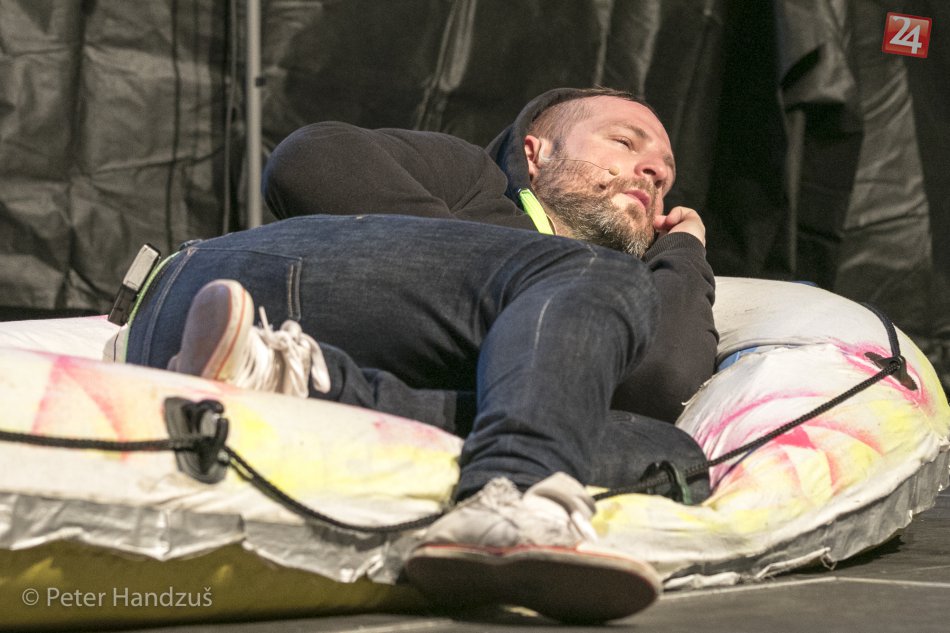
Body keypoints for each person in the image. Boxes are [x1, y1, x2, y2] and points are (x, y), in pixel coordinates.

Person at [119, 87, 717, 623]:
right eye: (624, 143)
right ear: (536, 154)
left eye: (665, 177)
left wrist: (684, 252)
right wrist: (524, 280)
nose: (651, 173)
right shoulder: (476, 179)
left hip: (242, 354)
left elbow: (659, 377)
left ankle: (299, 381)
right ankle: (510, 494)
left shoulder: (607, 300)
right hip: (230, 291)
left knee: (674, 458)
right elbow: (309, 158)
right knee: (596, 274)